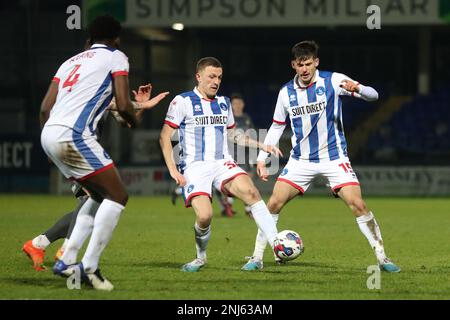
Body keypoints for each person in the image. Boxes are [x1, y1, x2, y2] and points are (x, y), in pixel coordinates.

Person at [241, 41, 400, 273]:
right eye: (299, 65)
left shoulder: (333, 81)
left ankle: (382, 258)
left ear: (316, 62)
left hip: (334, 158)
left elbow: (373, 96)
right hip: (301, 161)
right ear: (293, 65)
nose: (304, 69)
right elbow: (276, 126)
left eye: (308, 64)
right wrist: (262, 157)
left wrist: (358, 89)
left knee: (357, 204)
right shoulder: (286, 92)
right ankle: (257, 258)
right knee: (273, 203)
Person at [39, 15, 168, 290]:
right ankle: (90, 266)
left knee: (97, 195)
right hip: (73, 135)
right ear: (116, 38)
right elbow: (122, 104)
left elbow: (44, 109)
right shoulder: (116, 56)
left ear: (90, 37)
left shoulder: (70, 62)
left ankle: (67, 259)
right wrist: (134, 119)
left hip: (48, 133)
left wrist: (50, 147)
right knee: (119, 195)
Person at [159, 57, 282, 272]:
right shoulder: (182, 101)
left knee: (252, 193)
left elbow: (233, 134)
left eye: (219, 77)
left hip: (221, 162)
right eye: (211, 77)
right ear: (198, 77)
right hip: (195, 167)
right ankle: (201, 258)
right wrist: (172, 170)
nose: (216, 81)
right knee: (204, 216)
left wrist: (261, 145)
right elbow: (165, 137)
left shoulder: (224, 102)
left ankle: (278, 245)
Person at [23, 84, 152, 271]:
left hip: (85, 152)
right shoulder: (85, 90)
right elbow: (47, 110)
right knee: (92, 199)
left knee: (92, 201)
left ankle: (39, 244)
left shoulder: (104, 93)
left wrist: (139, 106)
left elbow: (126, 122)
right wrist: (140, 105)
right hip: (72, 148)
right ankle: (65, 250)